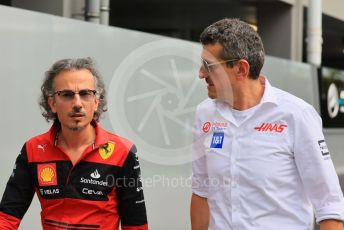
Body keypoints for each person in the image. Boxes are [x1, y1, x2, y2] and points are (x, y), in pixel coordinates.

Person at [190, 18, 344, 230]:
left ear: (241, 69)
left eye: (209, 66)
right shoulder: (204, 113)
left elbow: (329, 206)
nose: (201, 73)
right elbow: (201, 192)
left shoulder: (296, 115)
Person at [0, 58, 148, 229]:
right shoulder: (33, 149)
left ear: (96, 102)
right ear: (52, 103)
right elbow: (7, 217)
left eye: (85, 94)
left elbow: (136, 225)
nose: (77, 104)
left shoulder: (123, 151)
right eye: (67, 95)